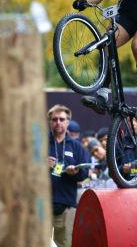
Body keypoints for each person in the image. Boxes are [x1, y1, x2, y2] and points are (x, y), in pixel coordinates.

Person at [47, 105, 90, 247]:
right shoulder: (40, 144)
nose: (58, 122)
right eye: (54, 119)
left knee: (65, 244)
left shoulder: (76, 146)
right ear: (50, 122)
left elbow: (85, 172)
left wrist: (75, 172)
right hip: (42, 204)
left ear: (67, 122)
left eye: (61, 119)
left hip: (66, 205)